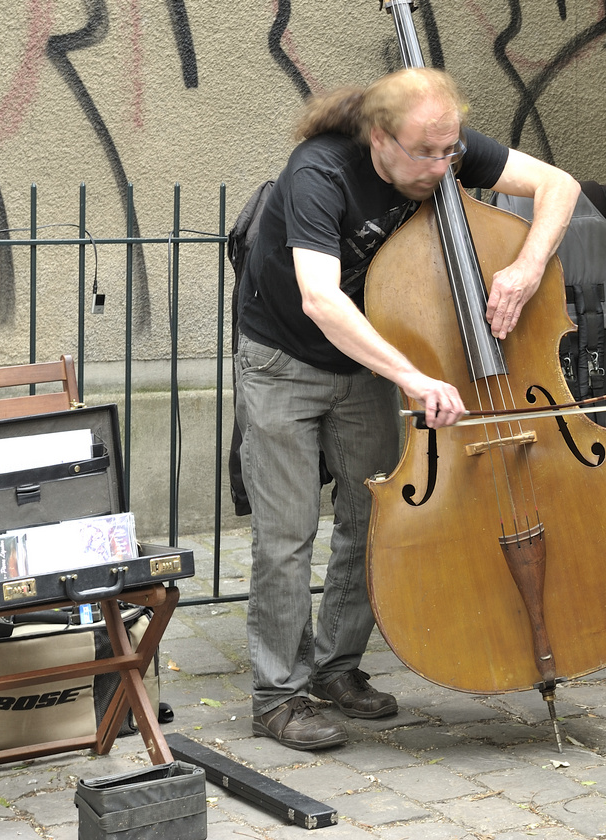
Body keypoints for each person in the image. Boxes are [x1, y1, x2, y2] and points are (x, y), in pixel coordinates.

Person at [236, 67, 581, 750]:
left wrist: (527, 265)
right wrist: (412, 377)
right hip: (283, 361)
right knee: (285, 533)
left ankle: (337, 669)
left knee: (371, 518)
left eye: (449, 150)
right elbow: (321, 299)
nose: (441, 166)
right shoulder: (318, 173)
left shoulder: (441, 146)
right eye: (424, 152)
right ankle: (276, 696)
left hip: (364, 363)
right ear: (378, 137)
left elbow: (558, 185)